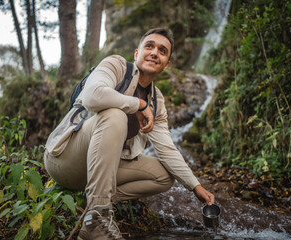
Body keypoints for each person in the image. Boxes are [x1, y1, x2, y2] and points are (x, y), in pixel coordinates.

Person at [44, 28, 215, 240]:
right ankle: (97, 218)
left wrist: (195, 186)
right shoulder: (116, 66)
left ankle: (96, 204)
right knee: (116, 116)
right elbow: (92, 96)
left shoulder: (157, 102)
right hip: (65, 159)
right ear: (136, 53)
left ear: (166, 64)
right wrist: (138, 104)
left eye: (162, 51)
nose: (154, 53)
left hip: (98, 170)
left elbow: (167, 149)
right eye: (149, 46)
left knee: (164, 176)